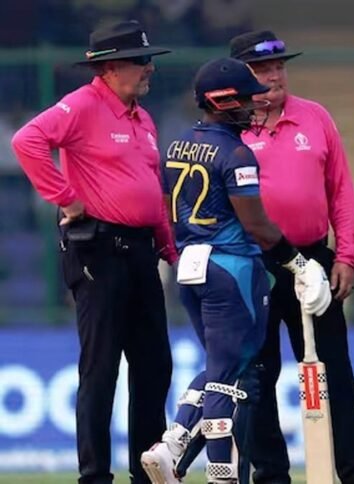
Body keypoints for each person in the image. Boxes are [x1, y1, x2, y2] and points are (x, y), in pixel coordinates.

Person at [140, 57, 331, 484]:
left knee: (221, 366)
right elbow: (258, 225)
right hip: (232, 271)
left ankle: (176, 444)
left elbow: (168, 210)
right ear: (223, 101)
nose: (253, 105)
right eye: (245, 99)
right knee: (228, 373)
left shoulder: (177, 145)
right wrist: (299, 264)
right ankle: (215, 470)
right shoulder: (237, 153)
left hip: (190, 268)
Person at [11, 20, 176, 484]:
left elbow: (151, 188)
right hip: (99, 251)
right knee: (101, 367)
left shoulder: (143, 118)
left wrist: (168, 244)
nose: (150, 68)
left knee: (155, 365)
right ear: (111, 67)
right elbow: (27, 141)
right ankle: (94, 476)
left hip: (141, 251)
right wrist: (65, 197)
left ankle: (146, 472)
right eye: (141, 61)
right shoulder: (82, 105)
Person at [229, 30, 354, 484]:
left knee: (334, 367)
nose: (275, 75)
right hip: (254, 263)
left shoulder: (315, 117)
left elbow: (341, 191)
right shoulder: (230, 127)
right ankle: (270, 474)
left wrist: (347, 257)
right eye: (263, 69)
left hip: (313, 261)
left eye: (279, 66)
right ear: (240, 76)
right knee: (258, 372)